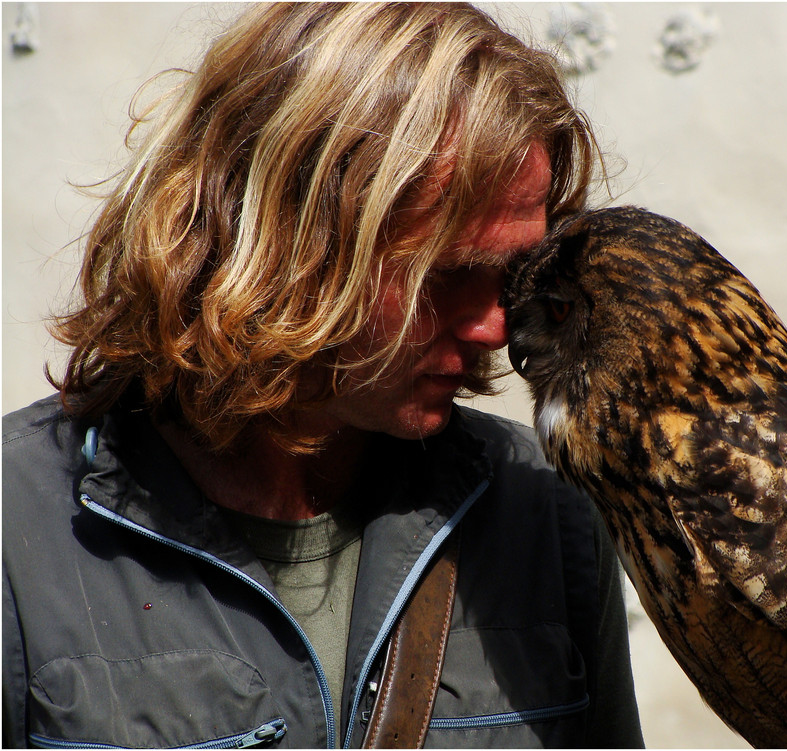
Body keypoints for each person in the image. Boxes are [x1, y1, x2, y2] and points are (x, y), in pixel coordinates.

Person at [2, 3, 644, 748]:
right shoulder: (24, 534)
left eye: (512, 276)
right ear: (285, 242)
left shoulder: (549, 513)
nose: (495, 326)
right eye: (445, 276)